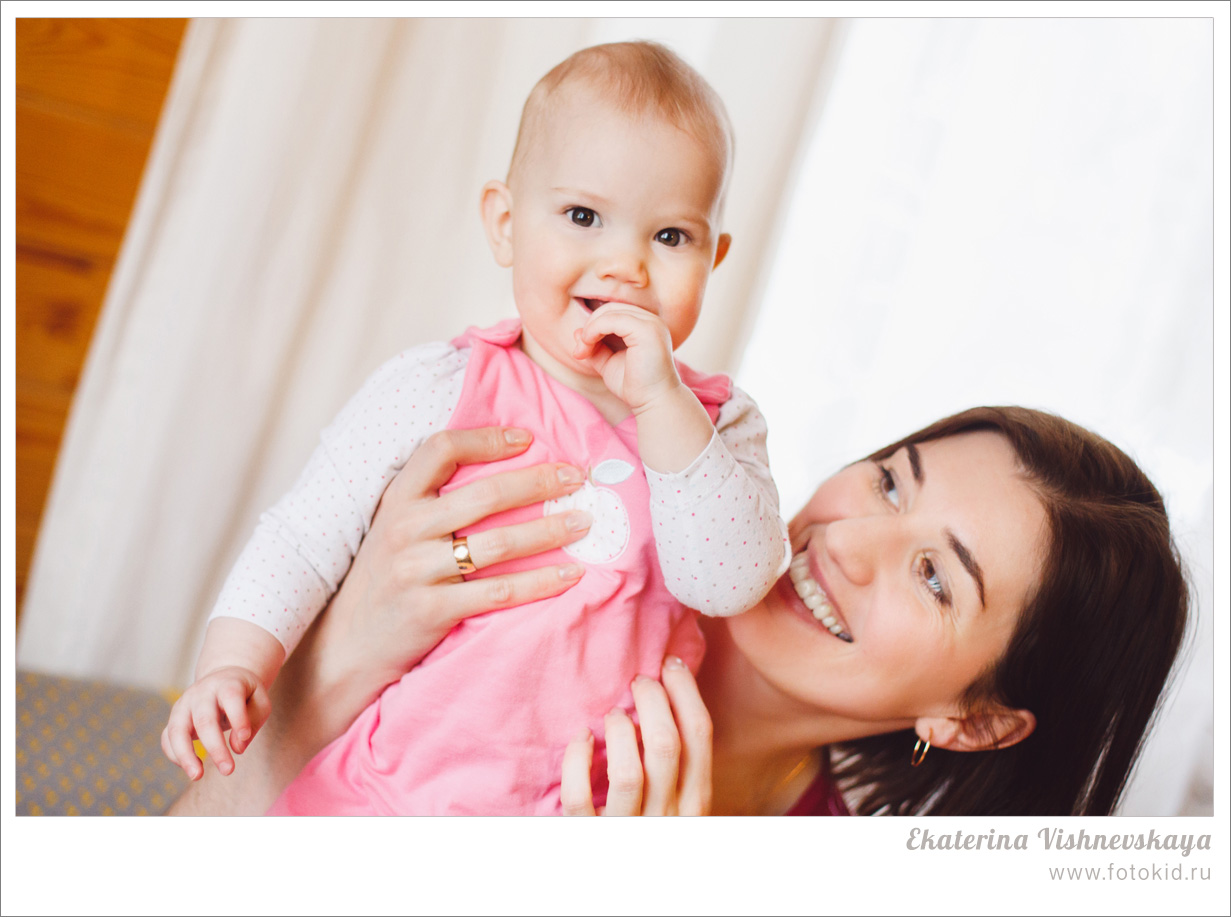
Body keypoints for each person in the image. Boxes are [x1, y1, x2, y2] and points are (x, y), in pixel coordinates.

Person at [162, 41, 790, 814]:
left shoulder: (718, 427)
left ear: (714, 258)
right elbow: (301, 536)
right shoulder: (440, 386)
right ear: (505, 224)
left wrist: (662, 402)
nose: (626, 263)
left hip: (565, 811)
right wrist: (232, 665)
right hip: (376, 795)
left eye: (670, 237)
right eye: (583, 216)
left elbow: (727, 579)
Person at [170, 406, 1189, 817]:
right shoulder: (562, 546)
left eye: (935, 576)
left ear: (970, 719)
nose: (844, 542)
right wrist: (345, 653)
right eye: (887, 481)